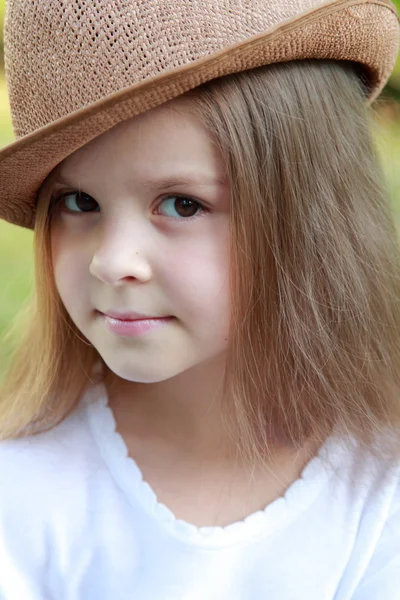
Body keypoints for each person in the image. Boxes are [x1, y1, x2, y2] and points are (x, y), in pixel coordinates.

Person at [0, 0, 399, 597]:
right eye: (78, 202)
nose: (112, 261)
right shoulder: (24, 485)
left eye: (182, 204)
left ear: (309, 216)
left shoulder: (378, 485)